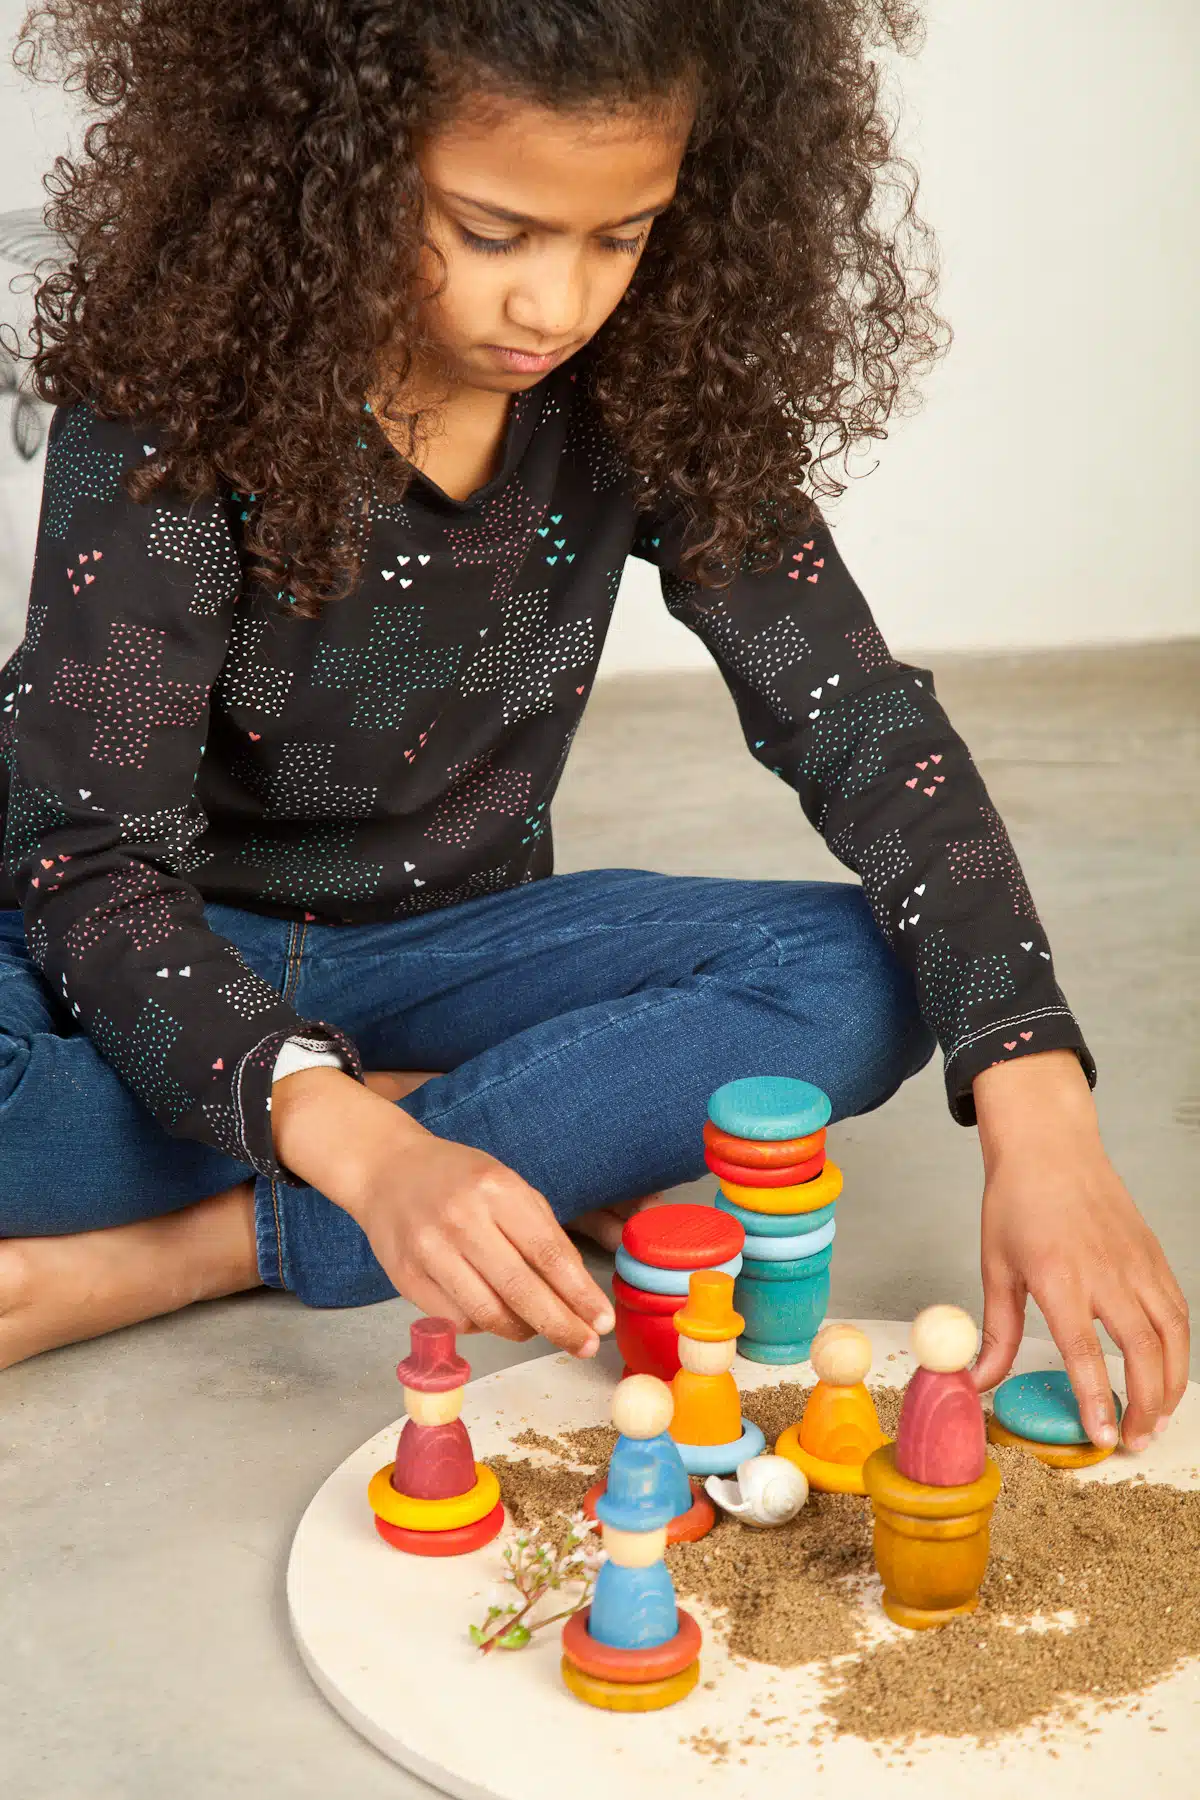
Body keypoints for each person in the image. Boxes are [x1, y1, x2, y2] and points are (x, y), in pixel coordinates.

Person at [0, 1, 1187, 1460]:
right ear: (334, 162)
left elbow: (863, 724)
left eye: (620, 238)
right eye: (493, 232)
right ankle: (458, 1128)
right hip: (145, 947)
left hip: (456, 955)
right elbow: (92, 865)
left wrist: (1042, 1109)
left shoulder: (645, 388)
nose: (556, 305)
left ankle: (214, 1243)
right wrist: (367, 1135)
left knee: (872, 976)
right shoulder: (176, 397)